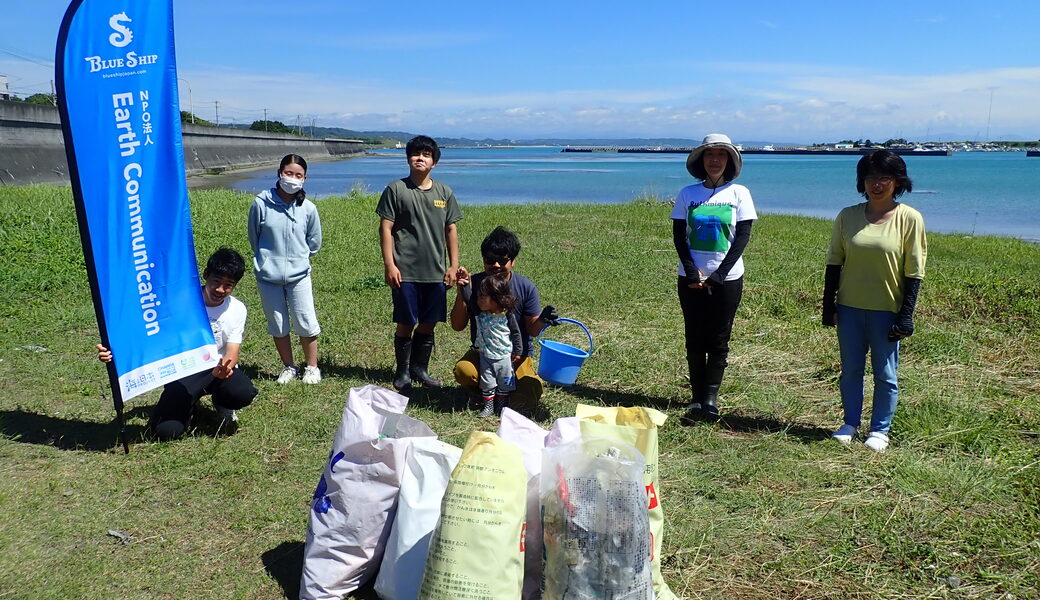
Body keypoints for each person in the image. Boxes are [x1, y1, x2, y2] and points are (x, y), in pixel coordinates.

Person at [822, 150, 926, 453]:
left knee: (885, 374)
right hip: (850, 308)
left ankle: (880, 430)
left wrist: (905, 315)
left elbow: (914, 272)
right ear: (861, 181)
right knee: (851, 370)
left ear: (898, 181)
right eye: (870, 178)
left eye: (884, 177)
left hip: (887, 309)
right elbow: (834, 262)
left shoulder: (909, 218)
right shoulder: (847, 216)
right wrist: (829, 305)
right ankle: (849, 424)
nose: (876, 184)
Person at [96, 248, 258, 441]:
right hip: (184, 370)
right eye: (216, 281)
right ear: (206, 275)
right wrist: (113, 352)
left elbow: (232, 351)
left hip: (216, 367)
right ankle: (187, 405)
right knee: (166, 431)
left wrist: (225, 369)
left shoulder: (237, 309)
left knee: (241, 392)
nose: (220, 290)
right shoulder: (179, 300)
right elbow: (145, 336)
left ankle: (223, 403)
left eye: (228, 285)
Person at [672, 133, 757, 421]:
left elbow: (742, 237)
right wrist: (690, 269)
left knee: (719, 337)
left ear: (730, 161)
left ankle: (710, 399)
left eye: (721, 155)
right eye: (710, 154)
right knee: (694, 336)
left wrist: (720, 273)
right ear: (701, 160)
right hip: (690, 277)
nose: (715, 160)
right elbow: (679, 236)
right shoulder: (688, 193)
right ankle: (695, 398)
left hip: (728, 278)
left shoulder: (739, 193)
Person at [376, 135, 462, 391]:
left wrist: (453, 266)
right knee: (406, 322)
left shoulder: (444, 192)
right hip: (405, 271)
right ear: (408, 159)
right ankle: (402, 371)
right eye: (415, 154)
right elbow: (385, 228)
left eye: (426, 155)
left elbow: (451, 230)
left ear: (434, 162)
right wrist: (389, 265)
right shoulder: (396, 190)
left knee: (430, 321)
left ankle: (419, 368)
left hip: (436, 271)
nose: (420, 158)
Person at [451, 226, 559, 413]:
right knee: (464, 371)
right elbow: (457, 325)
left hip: (517, 356)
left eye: (502, 260)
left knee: (528, 395)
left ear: (513, 261)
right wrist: (462, 293)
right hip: (484, 354)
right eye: (490, 259)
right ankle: (485, 393)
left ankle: (504, 390)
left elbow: (532, 330)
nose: (496, 265)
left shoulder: (526, 287)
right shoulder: (474, 283)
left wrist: (543, 319)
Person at [248, 154, 323, 384]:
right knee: (278, 323)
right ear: (279, 173)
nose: (293, 178)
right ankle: (289, 366)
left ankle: (312, 367)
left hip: (299, 276)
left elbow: (314, 242)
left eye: (298, 175)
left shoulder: (308, 208)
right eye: (289, 173)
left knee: (305, 320)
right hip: (268, 276)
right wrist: (266, 260)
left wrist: (298, 259)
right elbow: (254, 237)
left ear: (305, 178)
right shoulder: (261, 203)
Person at [457, 273, 523, 418]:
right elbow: (469, 299)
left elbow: (516, 333)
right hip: (485, 355)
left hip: (504, 357)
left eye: (482, 296)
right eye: (478, 296)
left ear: (496, 298)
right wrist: (465, 286)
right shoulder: (481, 313)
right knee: (487, 383)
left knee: (505, 383)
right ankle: (488, 407)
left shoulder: (506, 315)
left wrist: (517, 351)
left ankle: (502, 405)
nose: (478, 299)